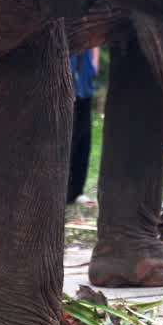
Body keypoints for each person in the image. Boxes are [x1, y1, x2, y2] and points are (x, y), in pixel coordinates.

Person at [67, 47, 98, 206]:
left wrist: (94, 63)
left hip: (84, 79)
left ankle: (76, 192)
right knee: (66, 140)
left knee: (83, 138)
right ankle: (62, 190)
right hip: (66, 78)